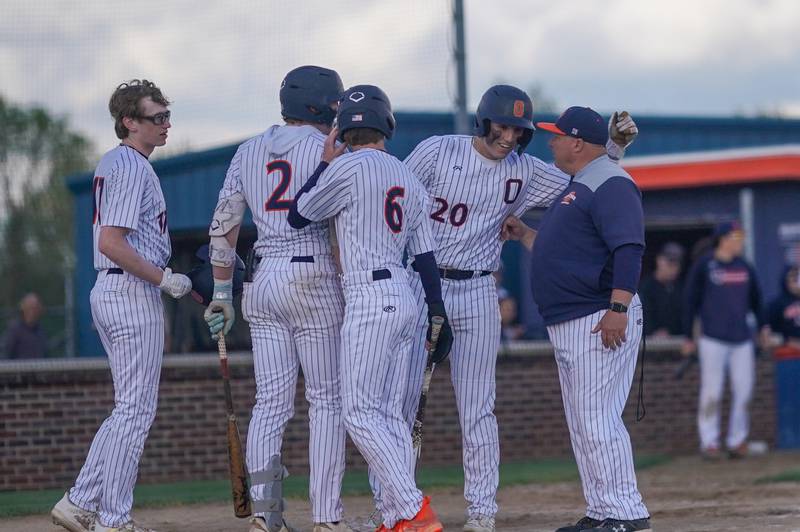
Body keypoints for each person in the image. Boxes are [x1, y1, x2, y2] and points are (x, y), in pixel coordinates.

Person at [386, 85, 638, 532]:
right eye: (502, 125)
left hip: (479, 287)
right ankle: (396, 509)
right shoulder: (437, 151)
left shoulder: (525, 169)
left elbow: (587, 181)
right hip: (421, 283)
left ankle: (482, 511)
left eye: (518, 130)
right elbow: (391, 202)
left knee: (479, 407)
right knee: (402, 404)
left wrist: (613, 148)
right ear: (484, 121)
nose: (509, 136)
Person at [287, 84, 453, 532]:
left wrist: (325, 160)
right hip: (407, 296)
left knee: (358, 413)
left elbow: (298, 214)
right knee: (387, 416)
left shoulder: (346, 167)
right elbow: (425, 256)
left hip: (368, 296)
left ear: (343, 130)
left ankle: (414, 510)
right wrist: (438, 311)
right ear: (387, 124)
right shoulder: (406, 175)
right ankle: (400, 517)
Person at [202, 65, 352, 532]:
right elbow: (338, 229)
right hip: (312, 276)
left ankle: (266, 516)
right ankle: (326, 517)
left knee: (270, 403)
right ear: (320, 106)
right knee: (326, 401)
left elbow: (222, 227)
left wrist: (222, 292)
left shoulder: (248, 150)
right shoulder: (332, 150)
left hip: (262, 280)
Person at [51, 80, 193, 532]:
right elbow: (112, 242)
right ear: (129, 122)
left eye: (167, 116)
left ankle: (80, 501)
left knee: (128, 409)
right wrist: (164, 277)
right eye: (156, 118)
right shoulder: (130, 164)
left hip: (115, 292)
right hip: (129, 290)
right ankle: (113, 519)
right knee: (135, 411)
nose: (166, 125)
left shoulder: (119, 163)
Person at [503, 106, 651, 532]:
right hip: (575, 319)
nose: (550, 141)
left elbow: (629, 247)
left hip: (597, 316)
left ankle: (626, 513)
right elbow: (571, 253)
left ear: (576, 143)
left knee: (597, 419)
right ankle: (603, 510)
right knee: (583, 422)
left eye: (556, 135)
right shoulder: (581, 184)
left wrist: (618, 308)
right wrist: (527, 234)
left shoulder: (610, 183)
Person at [682, 221, 770, 460]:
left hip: (742, 338)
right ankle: (709, 442)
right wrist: (688, 337)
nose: (740, 241)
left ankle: (737, 440)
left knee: (744, 390)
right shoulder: (705, 265)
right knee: (712, 392)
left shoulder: (744, 266)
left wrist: (763, 327)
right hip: (712, 338)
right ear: (723, 239)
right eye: (736, 236)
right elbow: (690, 301)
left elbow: (757, 300)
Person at [638, 242, 685, 337]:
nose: (673, 268)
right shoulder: (646, 287)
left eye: (677, 264)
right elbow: (641, 316)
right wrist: (651, 332)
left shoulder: (680, 288)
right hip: (650, 344)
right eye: (670, 263)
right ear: (659, 260)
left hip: (677, 343)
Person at [2, 293, 47, 359]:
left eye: (35, 308)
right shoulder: (14, 330)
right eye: (30, 308)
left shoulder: (40, 331)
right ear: (23, 309)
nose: (33, 312)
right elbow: (6, 354)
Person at [769, 264, 800, 355]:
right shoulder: (776, 304)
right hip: (787, 355)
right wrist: (788, 341)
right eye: (792, 278)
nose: (795, 281)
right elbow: (769, 336)